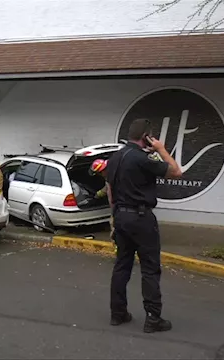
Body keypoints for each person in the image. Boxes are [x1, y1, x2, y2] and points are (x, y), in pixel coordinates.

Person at [105, 118, 182, 333]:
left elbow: (110, 189)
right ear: (146, 137)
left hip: (121, 216)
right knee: (149, 268)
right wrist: (162, 149)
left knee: (122, 265)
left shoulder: (114, 158)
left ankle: (117, 313)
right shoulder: (143, 159)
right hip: (141, 218)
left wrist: (115, 217)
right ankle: (153, 318)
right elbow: (176, 172)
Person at [88, 159, 117, 256]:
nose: (100, 176)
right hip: (119, 208)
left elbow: (111, 191)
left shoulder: (113, 177)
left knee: (115, 230)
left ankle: (119, 250)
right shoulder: (112, 174)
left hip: (118, 208)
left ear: (102, 171)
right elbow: (107, 188)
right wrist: (98, 194)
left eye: (99, 173)